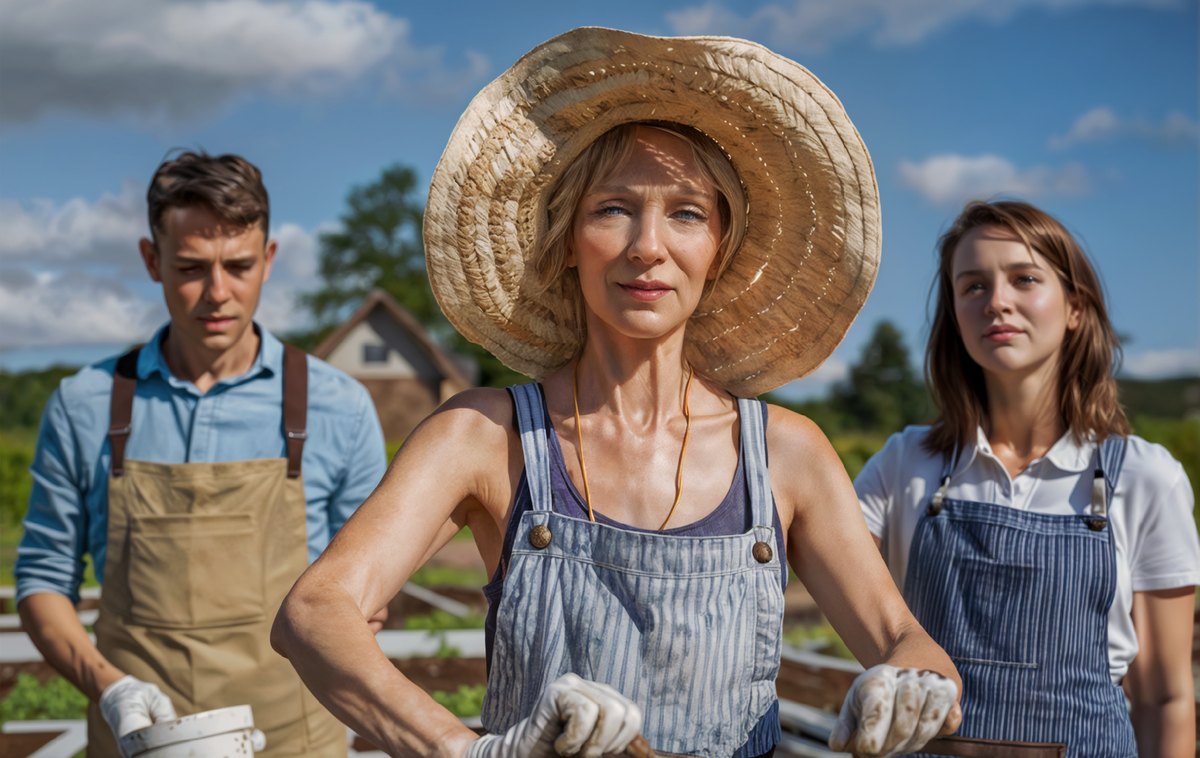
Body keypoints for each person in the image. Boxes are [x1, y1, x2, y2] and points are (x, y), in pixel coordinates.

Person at [272, 28, 962, 758]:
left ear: (719, 248)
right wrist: (461, 750)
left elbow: (900, 637)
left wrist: (914, 684)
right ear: (568, 240)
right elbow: (315, 612)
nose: (647, 246)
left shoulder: (785, 454)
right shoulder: (484, 438)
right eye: (612, 209)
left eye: (687, 213)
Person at [15, 151, 388, 758]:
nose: (217, 294)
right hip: (134, 740)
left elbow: (369, 588)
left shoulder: (338, 407)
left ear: (268, 260)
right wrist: (109, 689)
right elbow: (42, 581)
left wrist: (362, 613)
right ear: (150, 259)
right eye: (190, 267)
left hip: (294, 739)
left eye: (238, 266)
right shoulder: (85, 405)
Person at [855, 200, 1199, 758]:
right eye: (972, 286)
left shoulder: (1143, 476)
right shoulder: (903, 465)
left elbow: (1165, 699)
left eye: (1025, 279)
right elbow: (823, 564)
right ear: (954, 314)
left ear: (1075, 308)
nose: (997, 302)